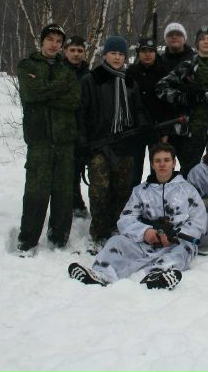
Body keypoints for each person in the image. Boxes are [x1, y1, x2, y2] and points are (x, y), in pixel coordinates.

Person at [68, 143, 207, 289]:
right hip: (145, 243)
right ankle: (101, 274)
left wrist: (175, 236)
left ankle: (158, 275)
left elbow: (198, 222)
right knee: (116, 241)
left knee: (183, 250)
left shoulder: (188, 191)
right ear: (152, 164)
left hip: (176, 244)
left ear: (174, 163)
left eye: (166, 160)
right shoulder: (140, 191)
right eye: (158, 161)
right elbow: (126, 219)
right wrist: (145, 232)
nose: (162, 165)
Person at [77, 36, 151, 251]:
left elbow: (138, 110)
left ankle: (117, 228)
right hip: (100, 144)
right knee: (99, 191)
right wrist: (83, 139)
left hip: (125, 145)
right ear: (105, 55)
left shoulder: (129, 81)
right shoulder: (91, 80)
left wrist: (144, 124)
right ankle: (99, 232)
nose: (117, 58)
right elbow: (82, 112)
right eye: (113, 53)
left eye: (121, 54)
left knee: (122, 191)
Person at [16, 23, 80, 255]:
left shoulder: (68, 69)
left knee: (63, 193)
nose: (54, 44)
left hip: (64, 139)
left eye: (58, 41)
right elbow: (29, 93)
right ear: (42, 41)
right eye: (50, 39)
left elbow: (74, 100)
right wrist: (57, 90)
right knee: (36, 191)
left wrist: (44, 93)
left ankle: (59, 237)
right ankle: (27, 239)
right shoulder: (27, 65)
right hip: (39, 138)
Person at [156, 26, 208, 176]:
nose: (206, 42)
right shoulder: (187, 65)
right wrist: (182, 97)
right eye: (202, 39)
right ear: (197, 43)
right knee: (190, 172)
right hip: (191, 130)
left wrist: (206, 96)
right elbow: (161, 88)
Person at [127, 36, 176, 188]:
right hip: (136, 130)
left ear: (155, 53)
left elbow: (170, 104)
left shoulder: (165, 72)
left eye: (150, 51)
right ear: (138, 53)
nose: (147, 54)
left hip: (158, 129)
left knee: (158, 169)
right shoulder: (131, 73)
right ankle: (131, 202)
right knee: (134, 172)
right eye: (143, 51)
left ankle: (158, 199)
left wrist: (166, 132)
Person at [63, 35, 91, 219]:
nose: (76, 54)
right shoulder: (58, 71)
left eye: (80, 50)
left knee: (80, 167)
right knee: (66, 171)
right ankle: (69, 204)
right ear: (65, 51)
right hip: (63, 128)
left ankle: (78, 203)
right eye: (72, 50)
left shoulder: (89, 75)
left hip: (84, 128)